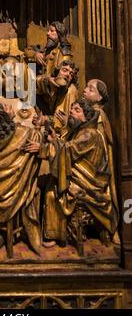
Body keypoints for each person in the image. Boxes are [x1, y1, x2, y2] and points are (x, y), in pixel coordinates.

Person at [26, 98, 119, 246]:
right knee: (51, 182)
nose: (71, 113)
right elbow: (66, 146)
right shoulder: (80, 130)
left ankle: (55, 235)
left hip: (90, 184)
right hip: (81, 176)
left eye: (77, 110)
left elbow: (69, 150)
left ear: (86, 116)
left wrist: (42, 148)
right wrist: (55, 140)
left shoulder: (90, 134)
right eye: (71, 110)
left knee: (52, 192)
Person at [0, 102, 42, 256]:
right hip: (12, 193)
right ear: (4, 115)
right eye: (7, 107)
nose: (11, 107)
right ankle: (15, 230)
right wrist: (39, 128)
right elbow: (38, 141)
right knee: (33, 189)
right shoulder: (25, 133)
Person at [83, 79, 119, 243]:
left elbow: (100, 146)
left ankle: (110, 228)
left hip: (95, 167)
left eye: (90, 89)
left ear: (99, 98)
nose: (84, 90)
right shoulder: (88, 112)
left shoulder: (98, 116)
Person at [35, 60, 79, 133]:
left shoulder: (70, 91)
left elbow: (60, 121)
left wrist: (45, 119)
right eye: (65, 70)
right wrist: (47, 80)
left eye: (71, 74)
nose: (68, 74)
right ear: (57, 71)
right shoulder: (50, 81)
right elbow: (33, 84)